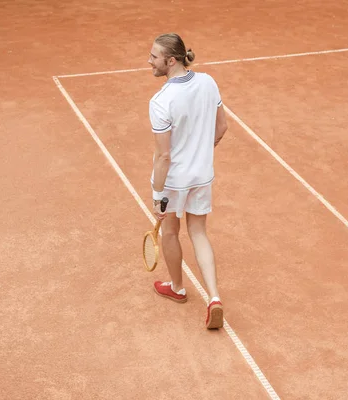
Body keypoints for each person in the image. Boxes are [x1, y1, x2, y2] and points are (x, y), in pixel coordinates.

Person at [147, 33, 228, 329]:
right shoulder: (208, 82)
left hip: (174, 181)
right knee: (199, 232)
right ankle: (214, 298)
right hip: (202, 175)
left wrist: (157, 194)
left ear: (170, 61)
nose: (149, 61)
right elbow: (222, 127)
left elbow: (164, 156)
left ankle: (177, 288)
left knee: (170, 232)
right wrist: (201, 155)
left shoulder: (160, 101)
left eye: (154, 57)